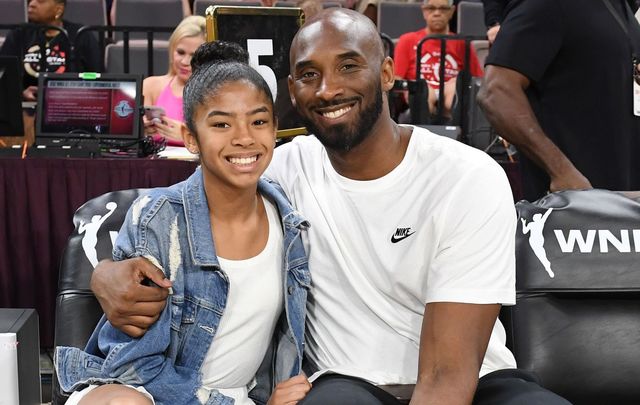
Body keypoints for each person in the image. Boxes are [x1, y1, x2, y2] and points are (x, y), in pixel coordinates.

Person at [88, 8, 570, 404]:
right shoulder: (279, 168)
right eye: (308, 75)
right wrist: (106, 270)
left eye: (347, 66)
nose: (327, 89)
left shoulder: (466, 176)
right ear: (292, 91)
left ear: (386, 72)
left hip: (473, 384)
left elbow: (446, 377)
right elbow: (178, 204)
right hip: (344, 386)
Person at [55, 41, 312, 405]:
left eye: (258, 121)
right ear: (191, 137)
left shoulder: (289, 218)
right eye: (221, 124)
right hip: (143, 390)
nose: (244, 137)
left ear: (275, 131)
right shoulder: (157, 219)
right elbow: (134, 365)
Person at [478, 0, 640, 202]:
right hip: (573, 205)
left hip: (624, 202)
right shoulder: (550, 4)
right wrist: (561, 171)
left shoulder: (623, 8)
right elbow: (496, 91)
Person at [394, 0, 483, 120]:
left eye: (443, 9)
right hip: (417, 100)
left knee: (454, 89)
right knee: (423, 90)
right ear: (424, 11)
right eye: (431, 8)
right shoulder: (407, 40)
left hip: (452, 99)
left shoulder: (462, 43)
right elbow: (396, 79)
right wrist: (409, 91)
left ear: (451, 12)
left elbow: (477, 80)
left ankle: (454, 126)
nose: (437, 13)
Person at [0, 0, 101, 101]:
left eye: (40, 1)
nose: (32, 4)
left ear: (59, 9)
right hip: (26, 108)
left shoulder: (81, 35)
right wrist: (21, 94)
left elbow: (98, 78)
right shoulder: (19, 34)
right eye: (30, 0)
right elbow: (4, 77)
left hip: (70, 106)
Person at [142, 15, 206, 146]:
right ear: (172, 50)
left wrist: (187, 135)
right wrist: (141, 130)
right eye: (181, 52)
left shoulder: (218, 95)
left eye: (194, 56)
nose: (185, 62)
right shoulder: (151, 86)